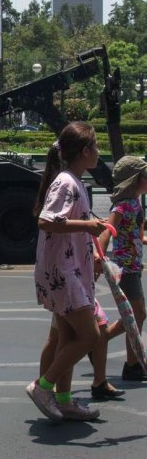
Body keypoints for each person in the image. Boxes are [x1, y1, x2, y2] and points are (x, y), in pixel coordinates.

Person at [26, 122, 105, 422]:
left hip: (72, 269)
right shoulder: (66, 183)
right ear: (85, 152)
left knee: (67, 335)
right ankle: (43, 386)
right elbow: (46, 221)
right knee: (90, 336)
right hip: (63, 273)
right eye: (96, 146)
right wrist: (87, 226)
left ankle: (64, 399)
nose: (98, 152)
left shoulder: (72, 180)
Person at [97, 155, 147, 381]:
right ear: (135, 180)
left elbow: (136, 232)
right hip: (125, 267)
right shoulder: (123, 205)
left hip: (134, 265)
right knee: (137, 314)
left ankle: (132, 363)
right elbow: (108, 230)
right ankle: (100, 342)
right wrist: (98, 257)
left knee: (134, 316)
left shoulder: (136, 202)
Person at [39, 300, 125, 400]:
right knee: (61, 338)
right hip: (71, 294)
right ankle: (45, 386)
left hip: (83, 292)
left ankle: (99, 382)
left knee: (99, 330)